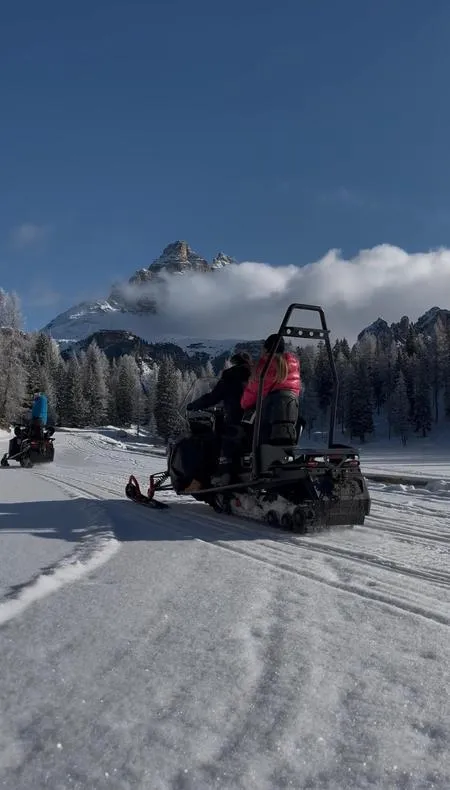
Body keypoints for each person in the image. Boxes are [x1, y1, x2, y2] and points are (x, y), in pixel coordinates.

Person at [186, 352, 253, 488]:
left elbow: (213, 397)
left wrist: (193, 405)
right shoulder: (256, 377)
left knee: (218, 437)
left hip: (235, 419)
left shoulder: (231, 376)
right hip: (253, 422)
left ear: (234, 364)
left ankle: (223, 474)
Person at [240, 334, 301, 445]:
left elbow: (247, 401)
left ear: (266, 349)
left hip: (265, 427)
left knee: (241, 429)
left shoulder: (262, 367)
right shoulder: (293, 368)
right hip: (290, 424)